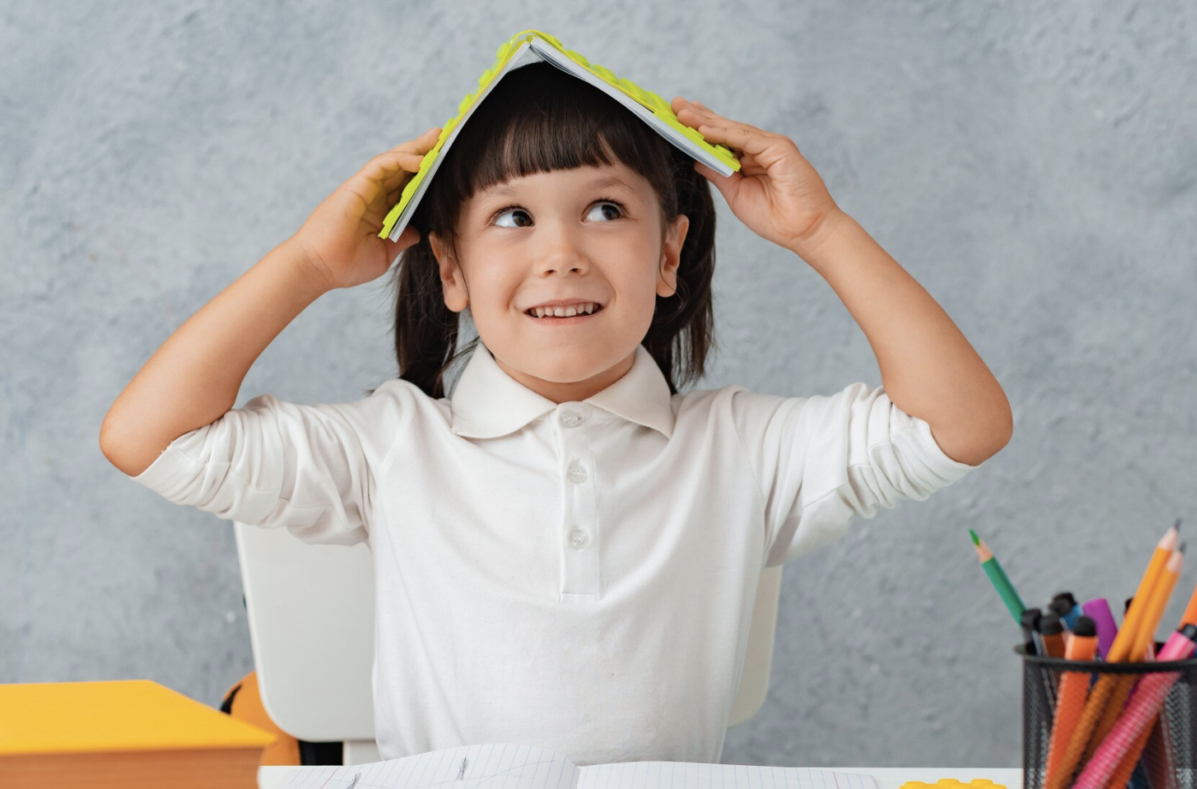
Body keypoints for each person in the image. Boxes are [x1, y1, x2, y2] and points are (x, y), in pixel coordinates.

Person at [100, 62, 1012, 766]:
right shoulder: (392, 446)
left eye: (606, 209)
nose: (562, 254)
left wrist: (823, 231)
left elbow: (961, 424)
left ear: (668, 255)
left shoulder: (742, 448)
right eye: (512, 219)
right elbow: (149, 438)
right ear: (449, 271)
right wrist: (306, 261)